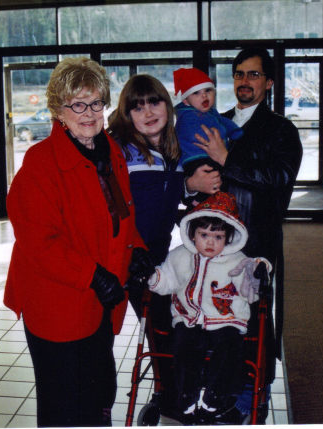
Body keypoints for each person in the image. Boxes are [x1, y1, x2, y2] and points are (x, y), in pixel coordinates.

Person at [3, 57, 154, 427]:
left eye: (96, 102)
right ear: (58, 109)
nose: (88, 113)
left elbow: (121, 214)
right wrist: (92, 274)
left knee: (99, 391)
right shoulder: (40, 163)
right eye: (77, 104)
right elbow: (39, 242)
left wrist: (137, 252)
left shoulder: (110, 151)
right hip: (57, 304)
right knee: (63, 405)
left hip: (99, 302)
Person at [190, 48, 303, 423]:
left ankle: (250, 397)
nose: (244, 81)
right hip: (211, 245)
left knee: (252, 321)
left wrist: (228, 160)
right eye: (239, 73)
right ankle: (211, 391)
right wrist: (191, 183)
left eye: (254, 75)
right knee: (209, 314)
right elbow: (192, 172)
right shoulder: (214, 122)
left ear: (269, 83)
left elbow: (278, 180)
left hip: (256, 243)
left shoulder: (282, 131)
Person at [107, 74, 220, 418]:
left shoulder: (170, 146)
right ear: (127, 114)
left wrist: (186, 185)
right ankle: (169, 398)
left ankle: (172, 394)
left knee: (166, 326)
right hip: (124, 258)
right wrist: (186, 183)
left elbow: (163, 197)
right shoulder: (119, 149)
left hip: (156, 253)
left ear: (168, 105)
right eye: (137, 106)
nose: (147, 111)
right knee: (147, 329)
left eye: (154, 102)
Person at [148, 192, 271, 424]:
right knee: (184, 346)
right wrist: (152, 277)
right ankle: (187, 394)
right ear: (192, 234)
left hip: (226, 320)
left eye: (218, 236)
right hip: (189, 318)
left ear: (229, 239)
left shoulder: (236, 260)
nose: (211, 242)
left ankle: (217, 395)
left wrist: (257, 272)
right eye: (204, 235)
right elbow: (167, 280)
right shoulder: (180, 256)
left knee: (229, 348)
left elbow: (250, 287)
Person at [173, 67, 243, 204]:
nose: (204, 96)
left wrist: (235, 131)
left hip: (208, 157)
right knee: (209, 176)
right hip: (195, 158)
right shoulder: (186, 116)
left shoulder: (212, 113)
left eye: (208, 91)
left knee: (216, 179)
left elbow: (224, 122)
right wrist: (223, 135)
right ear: (186, 100)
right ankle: (197, 200)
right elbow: (208, 132)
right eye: (196, 93)